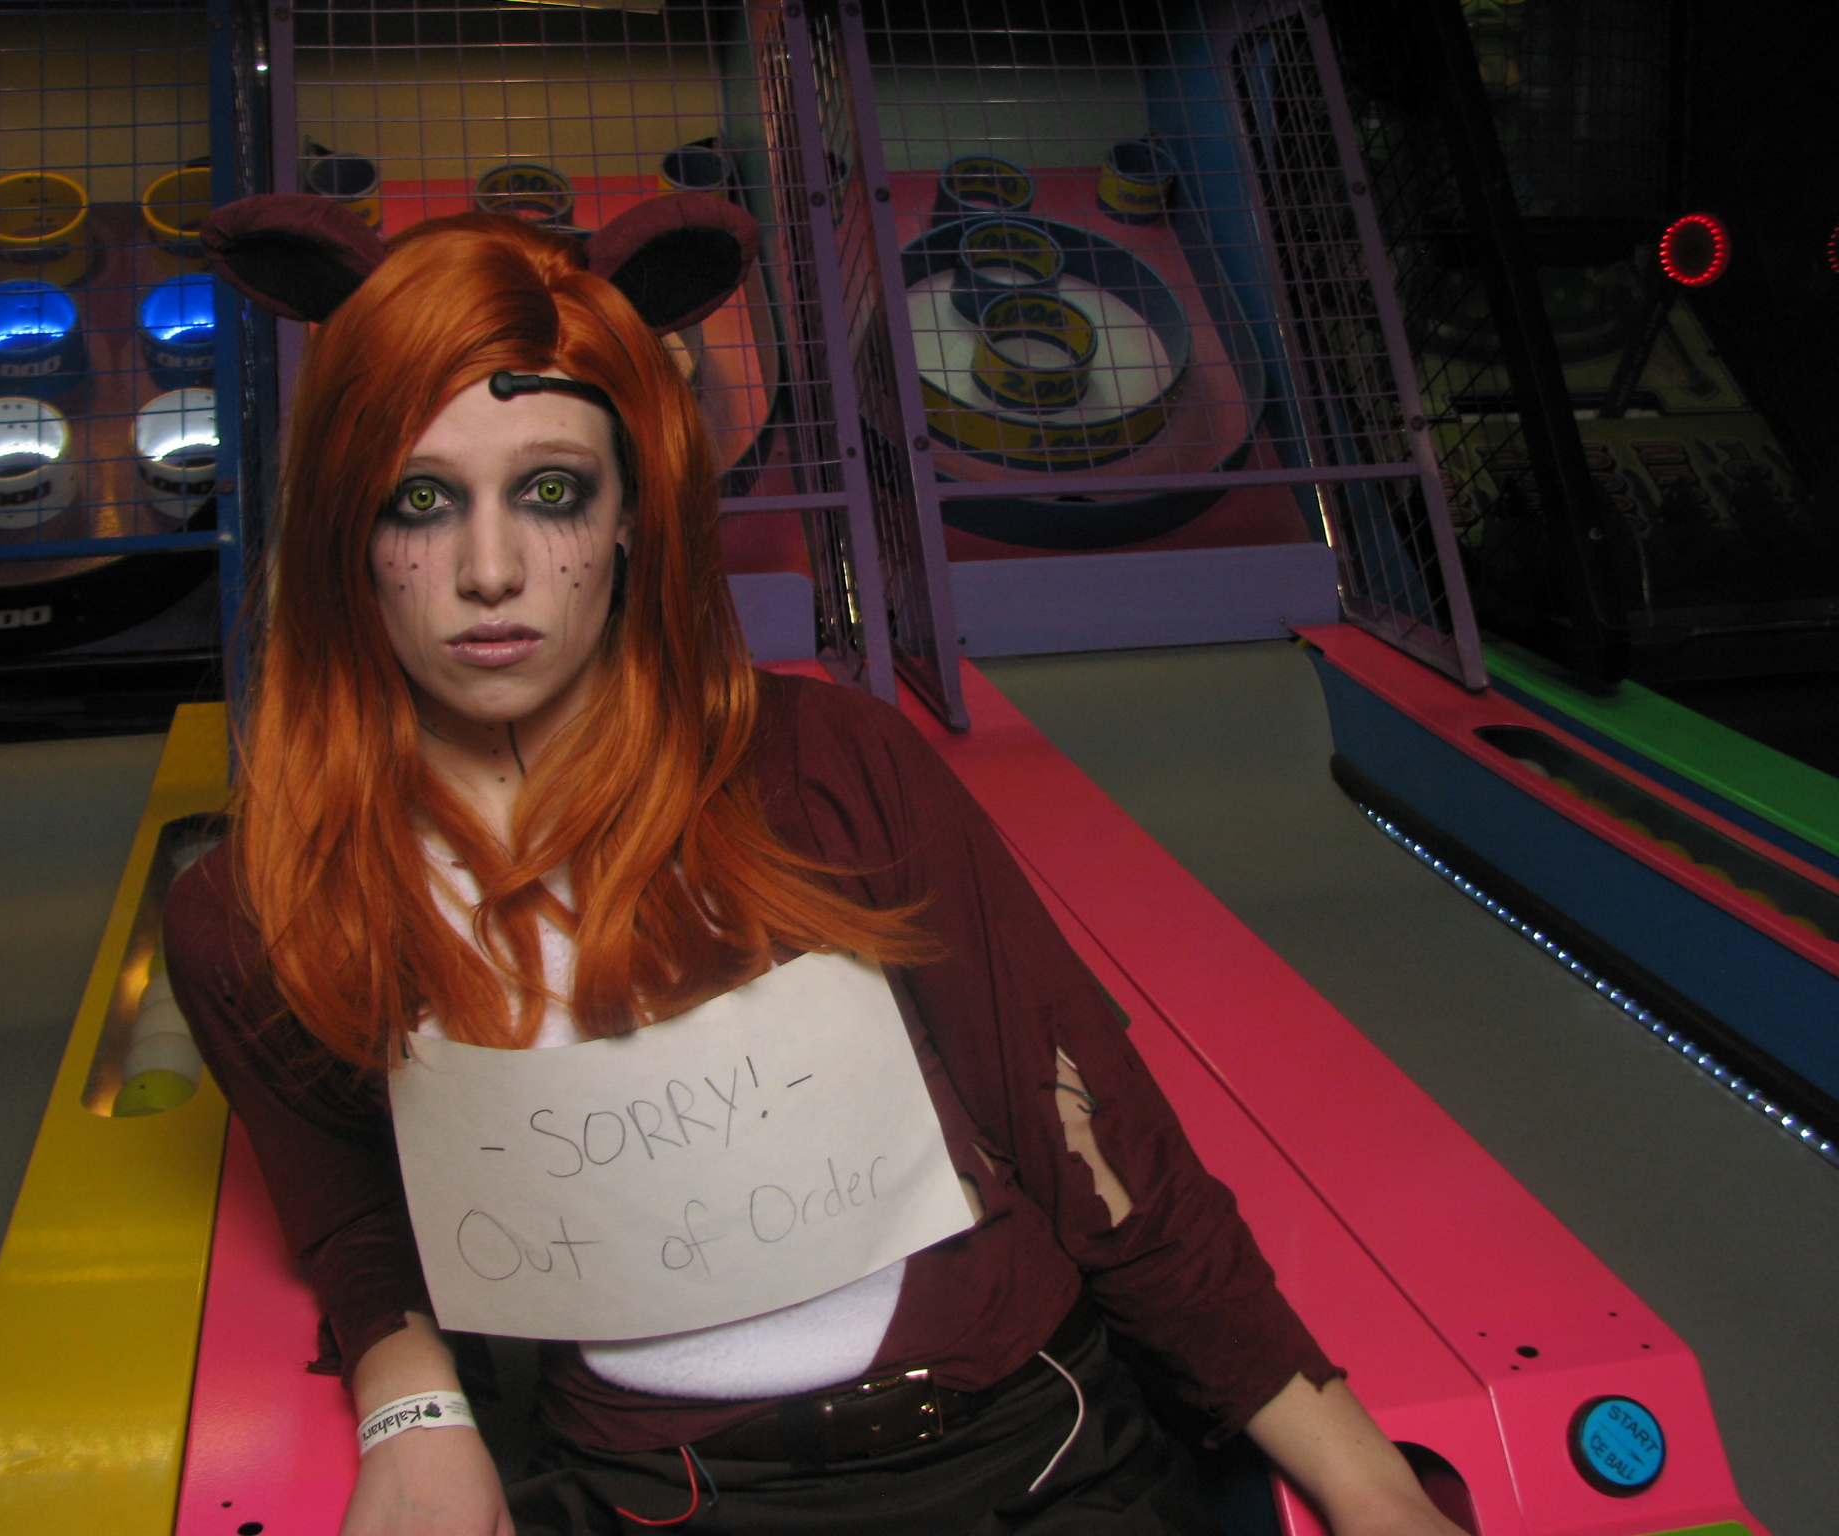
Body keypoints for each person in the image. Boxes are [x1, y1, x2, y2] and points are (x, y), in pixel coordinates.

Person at [164, 207, 1469, 1536]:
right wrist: (412, 1409)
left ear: (632, 514)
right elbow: (351, 1216)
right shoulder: (255, 914)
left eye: (552, 492)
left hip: (1035, 1444)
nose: (488, 570)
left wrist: (1368, 1486)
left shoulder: (828, 765)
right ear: (346, 529)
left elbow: (1085, 1127)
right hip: (665, 1496)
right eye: (419, 500)